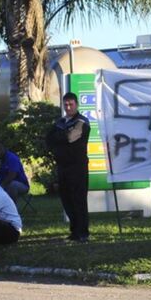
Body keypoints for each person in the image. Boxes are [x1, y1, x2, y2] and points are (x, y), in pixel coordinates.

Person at [46, 92, 91, 242]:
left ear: (76, 105)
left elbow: (71, 137)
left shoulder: (82, 121)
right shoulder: (60, 122)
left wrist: (60, 137)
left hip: (78, 167)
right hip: (62, 167)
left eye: (71, 104)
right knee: (67, 200)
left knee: (79, 200)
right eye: (66, 104)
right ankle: (74, 231)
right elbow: (49, 139)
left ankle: (83, 232)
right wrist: (61, 136)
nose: (68, 107)